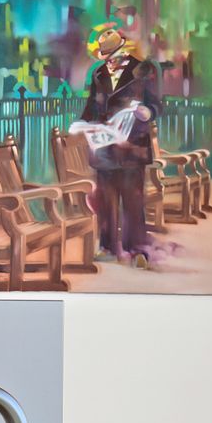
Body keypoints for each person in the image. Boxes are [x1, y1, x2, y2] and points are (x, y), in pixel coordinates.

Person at [77, 23, 159, 267]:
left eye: (114, 57)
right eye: (107, 58)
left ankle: (137, 251)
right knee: (106, 199)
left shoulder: (144, 71)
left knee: (133, 201)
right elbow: (92, 107)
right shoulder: (98, 74)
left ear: (123, 53)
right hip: (104, 147)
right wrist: (84, 125)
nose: (110, 62)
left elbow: (157, 105)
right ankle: (108, 247)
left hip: (132, 148)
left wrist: (148, 112)